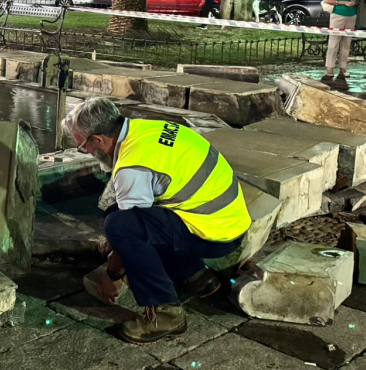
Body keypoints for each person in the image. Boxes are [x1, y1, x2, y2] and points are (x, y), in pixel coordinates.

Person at [64, 97, 249, 344]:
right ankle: (193, 276)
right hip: (230, 222)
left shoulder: (132, 166)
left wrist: (113, 274)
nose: (86, 152)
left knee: (119, 225)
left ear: (98, 139)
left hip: (215, 235)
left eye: (82, 146)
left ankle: (166, 313)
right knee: (120, 212)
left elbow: (130, 227)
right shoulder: (149, 128)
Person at [322, 0, 361, 80]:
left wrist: (355, 2)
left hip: (351, 15)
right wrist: (343, 2)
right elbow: (328, 0)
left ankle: (343, 67)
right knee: (334, 42)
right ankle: (330, 66)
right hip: (338, 15)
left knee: (346, 43)